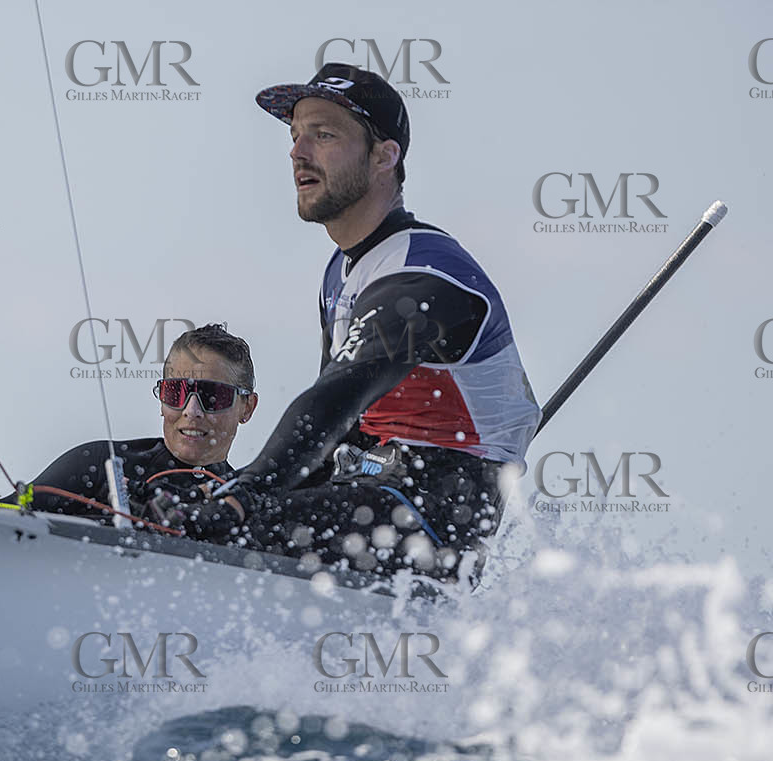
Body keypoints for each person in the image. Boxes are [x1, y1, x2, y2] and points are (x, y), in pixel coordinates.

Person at [175, 63, 540, 577]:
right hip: (368, 495)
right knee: (182, 501)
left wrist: (249, 492)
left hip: (433, 517)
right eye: (296, 136)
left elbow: (338, 397)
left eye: (323, 135)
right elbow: (342, 433)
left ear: (384, 157)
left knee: (235, 519)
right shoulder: (344, 271)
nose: (298, 152)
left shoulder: (427, 274)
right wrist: (232, 494)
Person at [10, 323, 258, 526]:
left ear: (247, 407)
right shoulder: (100, 463)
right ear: (162, 400)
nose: (191, 411)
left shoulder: (249, 503)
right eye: (176, 393)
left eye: (213, 396)